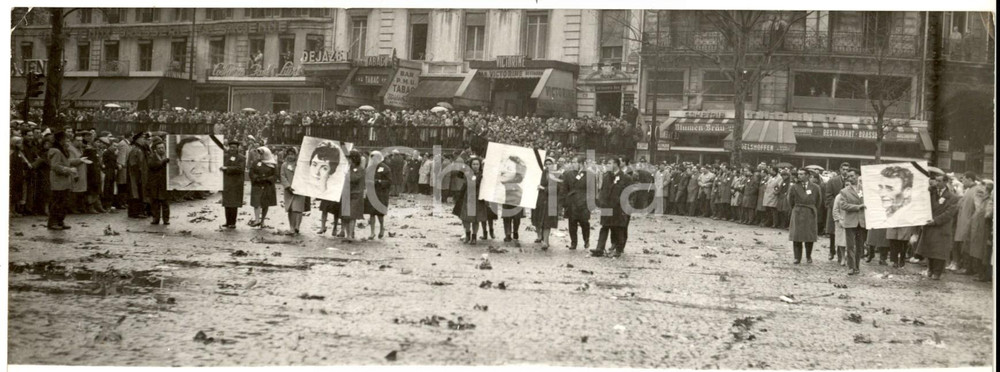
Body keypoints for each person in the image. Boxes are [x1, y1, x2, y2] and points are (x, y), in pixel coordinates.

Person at [915, 172, 960, 281]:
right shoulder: (930, 194)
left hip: (941, 227)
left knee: (939, 252)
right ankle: (930, 269)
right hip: (929, 227)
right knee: (929, 249)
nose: (937, 183)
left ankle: (937, 272)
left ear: (945, 182)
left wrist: (935, 221)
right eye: (936, 180)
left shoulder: (953, 197)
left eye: (939, 181)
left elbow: (949, 214)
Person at [592, 157, 632, 258]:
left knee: (618, 228)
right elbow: (603, 191)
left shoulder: (626, 178)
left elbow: (630, 193)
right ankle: (599, 249)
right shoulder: (606, 177)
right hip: (607, 206)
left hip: (619, 207)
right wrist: (600, 202)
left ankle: (618, 249)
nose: (607, 165)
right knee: (604, 227)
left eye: (609, 163)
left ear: (616, 164)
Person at [46, 131, 85, 230]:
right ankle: (53, 222)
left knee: (63, 202)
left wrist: (80, 160)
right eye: (66, 139)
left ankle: (60, 221)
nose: (67, 141)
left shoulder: (61, 150)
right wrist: (69, 170)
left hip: (63, 180)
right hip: (58, 181)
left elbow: (66, 162)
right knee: (57, 202)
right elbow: (55, 166)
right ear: (60, 140)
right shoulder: (56, 151)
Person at [952, 172, 987, 275]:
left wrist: (972, 222)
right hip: (964, 222)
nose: (962, 182)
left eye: (964, 180)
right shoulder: (969, 190)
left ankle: (968, 268)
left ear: (970, 179)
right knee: (963, 245)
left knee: (967, 246)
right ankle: (965, 266)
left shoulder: (977, 190)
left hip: (969, 223)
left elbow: (979, 209)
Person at [788, 168, 823, 265]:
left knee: (809, 236)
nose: (799, 176)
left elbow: (819, 201)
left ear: (807, 175)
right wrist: (796, 209)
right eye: (799, 174)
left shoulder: (815, 187)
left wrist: (812, 209)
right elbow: (790, 201)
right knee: (797, 236)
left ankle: (808, 256)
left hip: (810, 213)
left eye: (802, 174)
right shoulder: (794, 187)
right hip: (798, 212)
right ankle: (797, 257)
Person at [835, 168, 866, 274]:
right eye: (849, 176)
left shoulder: (865, 189)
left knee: (859, 246)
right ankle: (851, 267)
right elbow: (843, 205)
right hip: (850, 221)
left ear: (858, 176)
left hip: (861, 221)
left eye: (853, 176)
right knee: (850, 245)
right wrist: (858, 207)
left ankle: (857, 266)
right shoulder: (844, 191)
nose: (851, 178)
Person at [561, 156, 595, 250]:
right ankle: (573, 242)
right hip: (572, 202)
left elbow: (592, 190)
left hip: (584, 202)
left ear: (581, 163)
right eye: (572, 162)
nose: (573, 164)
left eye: (575, 162)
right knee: (572, 223)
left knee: (584, 223)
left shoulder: (590, 175)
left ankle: (586, 240)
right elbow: (564, 189)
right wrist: (565, 202)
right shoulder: (568, 174)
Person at [453, 156, 487, 244]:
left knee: (476, 219)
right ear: (471, 165)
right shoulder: (467, 173)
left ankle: (474, 237)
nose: (475, 166)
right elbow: (460, 176)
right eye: (474, 164)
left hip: (478, 199)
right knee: (465, 218)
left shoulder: (483, 175)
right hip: (467, 198)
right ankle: (467, 235)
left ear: (480, 165)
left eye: (477, 164)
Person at [531, 158, 562, 250]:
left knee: (547, 221)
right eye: (546, 164)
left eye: (550, 164)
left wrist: (544, 188)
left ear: (553, 164)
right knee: (537, 218)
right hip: (539, 199)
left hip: (550, 200)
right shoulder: (541, 173)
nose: (548, 165)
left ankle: (546, 241)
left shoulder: (557, 174)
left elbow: (558, 188)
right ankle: (539, 236)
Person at [280, 148, 310, 235]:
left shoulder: (300, 165)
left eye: (292, 154)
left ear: (296, 155)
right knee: (290, 209)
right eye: (289, 154)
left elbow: (304, 176)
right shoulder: (284, 165)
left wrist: (299, 186)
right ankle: (291, 227)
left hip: (299, 189)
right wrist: (288, 186)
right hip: (288, 190)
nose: (290, 156)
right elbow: (282, 176)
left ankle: (297, 226)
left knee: (298, 209)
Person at [364, 151, 392, 240]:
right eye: (372, 158)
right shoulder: (369, 168)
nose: (373, 160)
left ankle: (381, 228)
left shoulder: (385, 168)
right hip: (371, 192)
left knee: (380, 214)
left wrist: (378, 181)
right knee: (371, 213)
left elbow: (389, 181)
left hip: (381, 193)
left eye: (375, 158)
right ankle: (372, 232)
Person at [248, 146, 278, 228]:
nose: (260, 156)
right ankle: (257, 219)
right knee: (256, 202)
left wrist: (268, 179)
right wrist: (256, 178)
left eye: (262, 154)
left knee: (265, 203)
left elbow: (275, 175)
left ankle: (262, 221)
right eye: (259, 154)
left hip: (267, 185)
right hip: (257, 184)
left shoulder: (273, 164)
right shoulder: (255, 162)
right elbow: (251, 172)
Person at [220, 139, 246, 229]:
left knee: (234, 204)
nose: (232, 149)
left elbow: (240, 169)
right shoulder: (225, 157)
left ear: (237, 148)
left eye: (234, 147)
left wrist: (227, 168)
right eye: (230, 147)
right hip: (227, 183)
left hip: (236, 183)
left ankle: (233, 222)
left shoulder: (242, 158)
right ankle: (227, 222)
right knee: (227, 203)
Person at [340, 150, 365, 242]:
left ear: (354, 159)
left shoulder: (360, 169)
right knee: (346, 216)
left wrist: (346, 174)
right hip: (346, 194)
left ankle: (350, 234)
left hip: (356, 194)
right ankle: (348, 234)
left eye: (349, 158)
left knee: (352, 216)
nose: (348, 160)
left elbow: (354, 179)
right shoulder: (347, 168)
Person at [146, 136, 171, 225]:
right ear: (155, 149)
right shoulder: (152, 156)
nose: (161, 149)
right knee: (155, 202)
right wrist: (163, 162)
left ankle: (166, 219)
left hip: (164, 183)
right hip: (155, 184)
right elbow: (152, 165)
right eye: (159, 148)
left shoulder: (167, 156)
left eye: (162, 148)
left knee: (165, 203)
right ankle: (155, 218)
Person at [126, 132, 151, 218]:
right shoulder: (135, 150)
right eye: (142, 138)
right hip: (136, 176)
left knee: (141, 193)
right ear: (137, 140)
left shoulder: (143, 150)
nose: (144, 140)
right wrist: (138, 175)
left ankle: (141, 211)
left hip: (142, 175)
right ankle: (135, 212)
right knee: (136, 193)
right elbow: (133, 164)